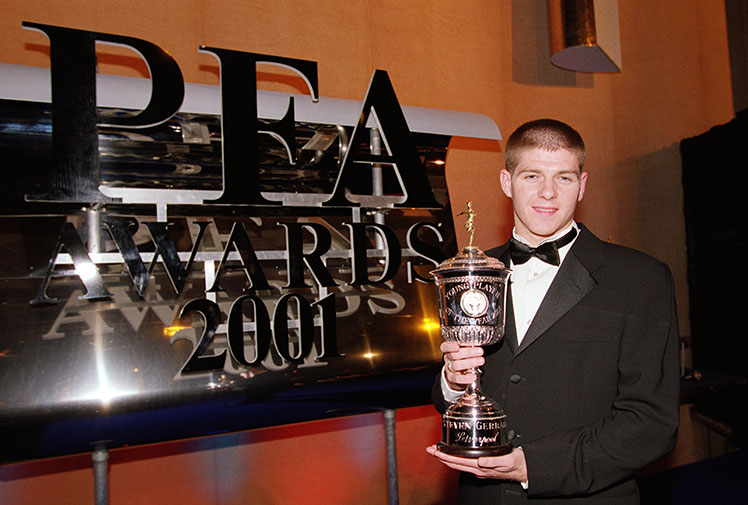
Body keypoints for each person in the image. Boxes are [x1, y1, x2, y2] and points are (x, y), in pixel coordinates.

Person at [427, 119, 680, 504]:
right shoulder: (469, 274)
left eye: (563, 178)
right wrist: (451, 380)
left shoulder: (640, 278)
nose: (548, 192)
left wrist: (532, 466)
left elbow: (652, 422)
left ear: (582, 185)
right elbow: (455, 398)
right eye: (532, 176)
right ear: (507, 182)